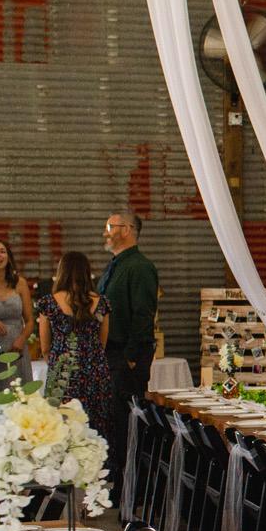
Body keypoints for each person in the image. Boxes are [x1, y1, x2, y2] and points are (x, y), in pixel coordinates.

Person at [99, 211, 159, 496]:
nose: (105, 232)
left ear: (127, 229)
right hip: (112, 354)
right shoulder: (116, 265)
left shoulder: (140, 267)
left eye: (109, 226)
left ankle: (130, 489)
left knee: (125, 425)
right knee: (114, 423)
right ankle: (119, 482)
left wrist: (131, 356)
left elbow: (143, 313)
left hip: (125, 355)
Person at [38, 250, 116, 443]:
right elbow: (102, 342)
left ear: (61, 272)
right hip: (95, 372)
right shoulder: (101, 302)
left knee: (62, 431)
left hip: (62, 375)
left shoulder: (49, 303)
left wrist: (56, 361)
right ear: (86, 272)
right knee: (96, 428)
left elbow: (45, 347)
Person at [0, 239, 34, 395]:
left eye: (2, 251)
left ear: (9, 257)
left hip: (16, 349)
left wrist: (21, 339)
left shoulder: (20, 283)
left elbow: (30, 321)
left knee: (19, 394)